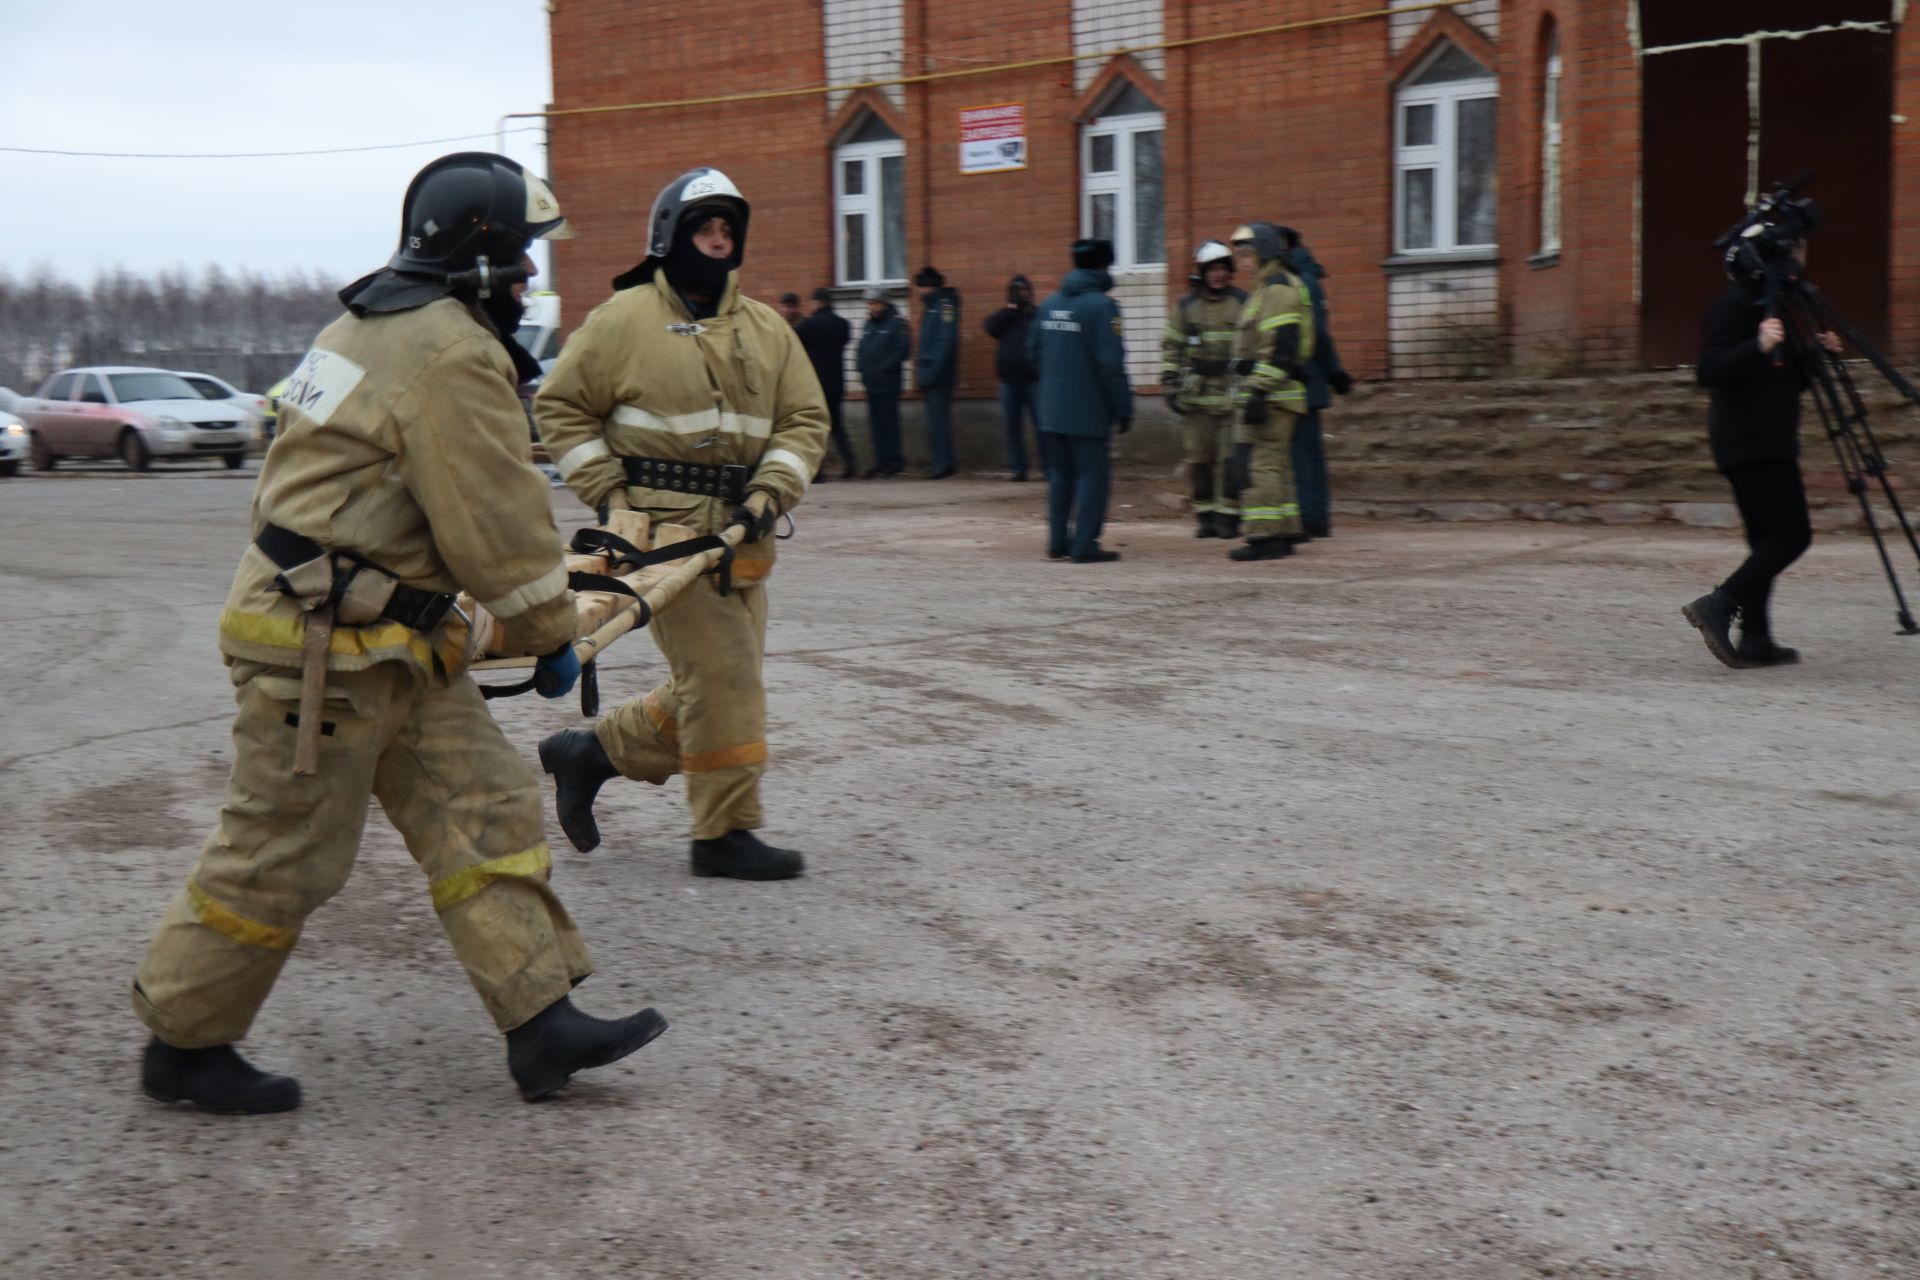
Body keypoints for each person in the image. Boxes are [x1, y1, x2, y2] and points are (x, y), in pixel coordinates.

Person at [130, 152, 667, 1115]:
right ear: (479, 259)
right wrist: (552, 625)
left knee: (485, 805)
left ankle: (540, 1020)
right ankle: (185, 1039)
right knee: (282, 849)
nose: (531, 283)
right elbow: (495, 527)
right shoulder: (453, 353)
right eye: (523, 263)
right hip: (320, 649)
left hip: (386, 639)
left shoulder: (359, 325)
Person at [534, 167, 829, 880]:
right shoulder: (621, 321)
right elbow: (560, 409)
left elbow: (804, 420)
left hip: (744, 542)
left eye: (729, 229)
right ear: (670, 236)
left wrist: (773, 489)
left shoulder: (766, 330)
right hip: (662, 544)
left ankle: (590, 753)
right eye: (706, 227)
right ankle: (722, 834)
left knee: (713, 690)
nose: (719, 241)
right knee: (727, 685)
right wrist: (609, 496)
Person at [1682, 240, 1841, 667]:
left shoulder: (1772, 313)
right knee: (1792, 536)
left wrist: (1816, 358)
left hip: (1765, 440)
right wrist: (1758, 345)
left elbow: (1781, 383)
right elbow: (1709, 371)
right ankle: (1719, 604)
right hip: (1751, 441)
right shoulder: (1731, 310)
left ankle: (1756, 638)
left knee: (1765, 541)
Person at [1029, 239, 1132, 563]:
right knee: (1091, 477)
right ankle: (1085, 544)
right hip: (1087, 411)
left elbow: (1031, 352)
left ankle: (1058, 541)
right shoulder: (1102, 307)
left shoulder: (1049, 304)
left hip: (1050, 409)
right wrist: (1123, 406)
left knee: (1060, 476)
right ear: (1104, 267)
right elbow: (1110, 364)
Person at [1225, 221, 1314, 561]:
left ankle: (1264, 537)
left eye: (1246, 255)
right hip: (1277, 391)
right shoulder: (1269, 288)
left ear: (1263, 253)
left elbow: (1281, 349)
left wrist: (1258, 390)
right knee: (1276, 466)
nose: (1242, 262)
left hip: (1272, 393)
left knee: (1259, 467)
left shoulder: (1276, 289)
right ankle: (1286, 530)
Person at [1162, 241, 1247, 538]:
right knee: (1199, 459)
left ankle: (1229, 518)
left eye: (1224, 269)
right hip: (1196, 397)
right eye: (1213, 269)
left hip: (1231, 395)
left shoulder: (1242, 302)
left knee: (1229, 459)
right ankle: (1205, 516)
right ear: (1203, 272)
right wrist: (1170, 385)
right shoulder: (1186, 306)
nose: (1219, 275)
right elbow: (1172, 346)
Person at [1281, 228, 1354, 539]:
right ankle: (1313, 514)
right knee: (1306, 452)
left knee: (1302, 453)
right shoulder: (1305, 278)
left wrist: (1334, 371)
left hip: (1302, 379)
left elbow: (1316, 335)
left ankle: (1311, 516)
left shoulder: (1299, 283)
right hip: (1308, 378)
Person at [983, 274, 1042, 481]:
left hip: (1034, 380)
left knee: (1041, 425)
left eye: (1025, 290)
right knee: (1012, 427)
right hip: (1009, 381)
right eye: (1018, 291)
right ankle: (1018, 468)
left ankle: (1048, 467)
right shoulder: (1005, 316)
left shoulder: (1036, 314)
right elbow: (989, 327)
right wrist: (1009, 311)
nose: (1022, 295)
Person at [796, 286, 858, 480]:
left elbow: (794, 340)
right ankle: (850, 463)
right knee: (837, 426)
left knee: (817, 427)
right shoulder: (843, 325)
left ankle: (819, 471)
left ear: (816, 302)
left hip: (816, 385)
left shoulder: (810, 325)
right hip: (837, 383)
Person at [857, 286, 910, 477]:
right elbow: (861, 348)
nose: (870, 307)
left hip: (888, 383)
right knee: (876, 425)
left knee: (889, 423)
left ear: (884, 303)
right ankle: (881, 461)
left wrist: (883, 368)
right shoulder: (869, 324)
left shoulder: (897, 323)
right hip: (872, 383)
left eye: (873, 303)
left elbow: (902, 351)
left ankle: (894, 461)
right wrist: (861, 367)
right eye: (869, 303)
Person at [913, 265, 960, 478]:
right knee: (935, 422)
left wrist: (932, 372)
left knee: (938, 422)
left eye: (921, 287)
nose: (919, 292)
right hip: (932, 373)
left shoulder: (945, 306)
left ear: (929, 287)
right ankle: (942, 461)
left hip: (939, 375)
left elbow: (944, 342)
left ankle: (943, 464)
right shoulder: (932, 306)